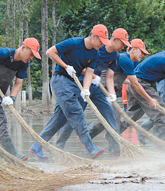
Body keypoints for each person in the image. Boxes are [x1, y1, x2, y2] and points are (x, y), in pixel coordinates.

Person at [29, 24, 110, 160]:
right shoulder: (74, 43)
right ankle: (90, 148)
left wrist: (86, 89)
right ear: (94, 36)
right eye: (101, 41)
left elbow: (89, 73)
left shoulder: (95, 53)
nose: (102, 45)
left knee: (59, 119)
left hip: (73, 83)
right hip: (60, 79)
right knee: (75, 111)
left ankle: (36, 146)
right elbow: (50, 52)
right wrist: (65, 66)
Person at [58, 38, 154, 149]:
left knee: (110, 117)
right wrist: (149, 99)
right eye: (141, 52)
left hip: (109, 91)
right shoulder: (124, 59)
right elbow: (135, 84)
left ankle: (93, 137)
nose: (143, 55)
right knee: (112, 117)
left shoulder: (130, 61)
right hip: (101, 88)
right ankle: (112, 147)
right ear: (133, 50)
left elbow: (123, 78)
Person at [55, 28, 131, 156]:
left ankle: (115, 148)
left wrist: (112, 93)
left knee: (110, 113)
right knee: (75, 116)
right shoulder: (97, 48)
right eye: (122, 43)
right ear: (115, 40)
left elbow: (110, 76)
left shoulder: (115, 56)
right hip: (83, 84)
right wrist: (90, 82)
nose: (123, 47)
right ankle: (60, 143)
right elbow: (82, 68)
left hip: (96, 86)